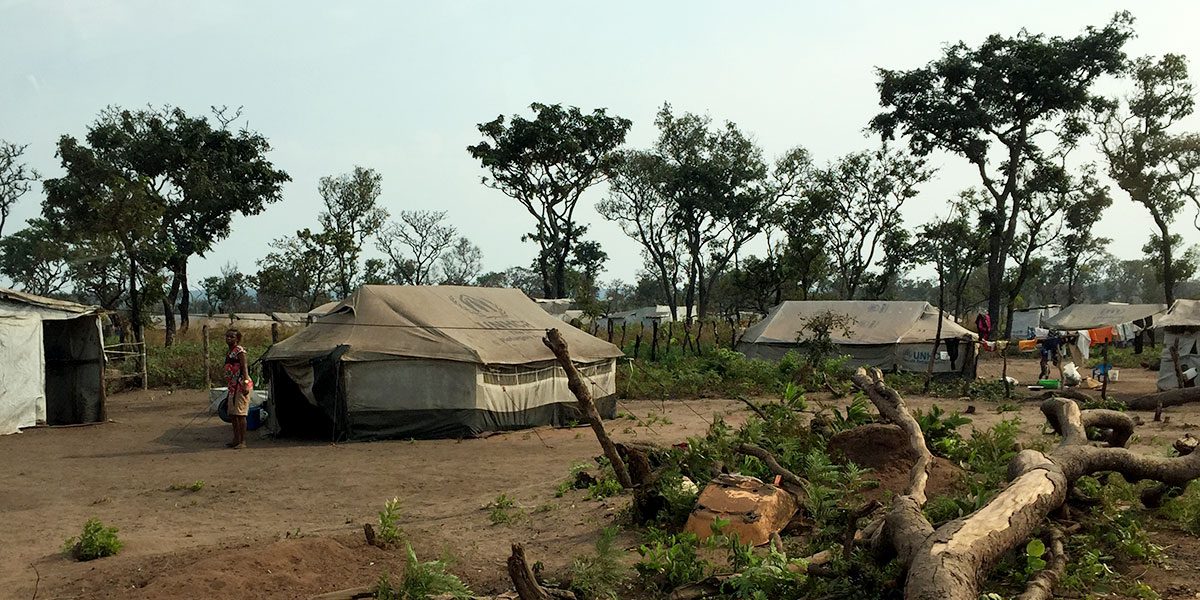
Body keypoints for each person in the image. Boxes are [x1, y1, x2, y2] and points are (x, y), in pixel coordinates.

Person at [223, 329, 252, 449]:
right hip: (232, 385)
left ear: (237, 339)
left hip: (241, 383)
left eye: (232, 337)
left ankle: (242, 441)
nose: (229, 338)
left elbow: (244, 367)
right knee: (233, 414)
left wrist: (245, 383)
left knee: (240, 414)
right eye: (227, 336)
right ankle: (236, 439)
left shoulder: (240, 351)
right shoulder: (230, 352)